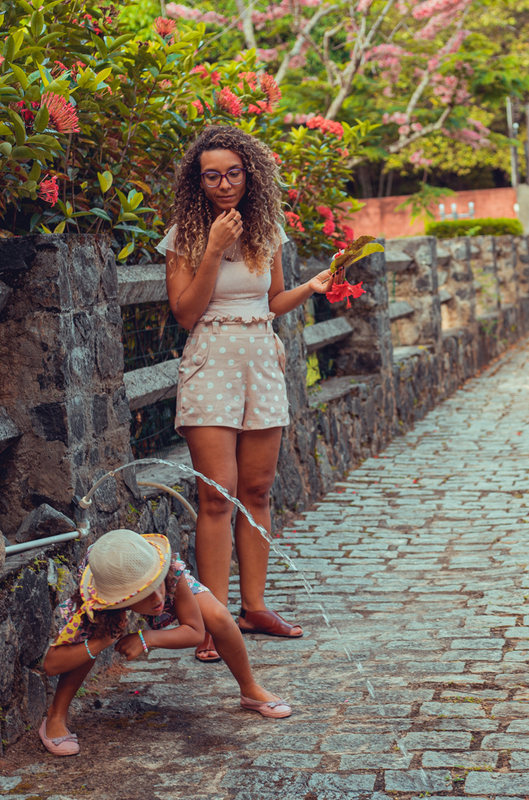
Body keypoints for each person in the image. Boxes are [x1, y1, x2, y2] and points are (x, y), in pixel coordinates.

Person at [158, 125, 334, 659]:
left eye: (233, 173)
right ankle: (211, 622)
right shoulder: (185, 236)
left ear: (249, 173)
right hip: (211, 359)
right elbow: (186, 314)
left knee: (256, 492)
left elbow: (273, 299)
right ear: (198, 180)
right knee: (217, 497)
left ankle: (253, 608)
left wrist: (311, 287)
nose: (224, 184)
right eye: (211, 175)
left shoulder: (267, 229)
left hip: (261, 356)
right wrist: (212, 248)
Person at [39, 530, 290, 756]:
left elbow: (194, 631)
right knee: (94, 637)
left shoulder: (165, 572)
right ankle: (56, 716)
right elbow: (51, 665)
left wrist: (146, 637)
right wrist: (102, 641)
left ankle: (250, 688)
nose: (158, 598)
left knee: (219, 616)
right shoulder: (97, 604)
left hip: (138, 559)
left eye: (156, 585)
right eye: (146, 593)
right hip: (110, 580)